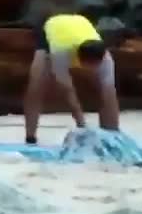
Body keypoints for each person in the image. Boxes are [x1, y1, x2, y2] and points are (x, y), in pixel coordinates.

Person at [24, 14, 120, 144]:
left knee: (108, 92)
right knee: (37, 83)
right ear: (79, 60)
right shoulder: (60, 52)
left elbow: (108, 93)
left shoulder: (107, 61)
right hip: (53, 27)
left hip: (81, 25)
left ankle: (112, 135)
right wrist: (83, 127)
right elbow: (67, 90)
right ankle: (30, 136)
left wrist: (112, 135)